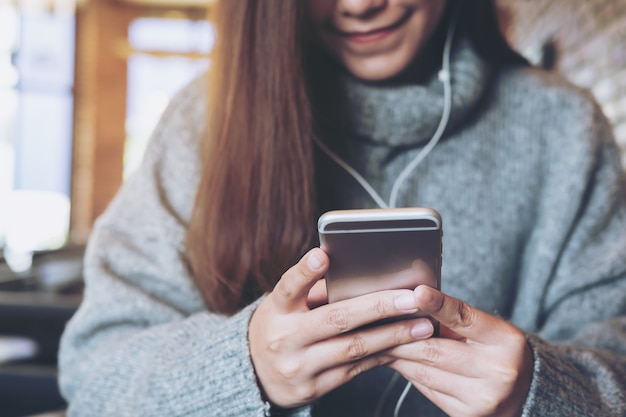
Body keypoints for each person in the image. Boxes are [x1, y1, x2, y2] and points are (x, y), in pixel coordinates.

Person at [58, 0, 626, 416]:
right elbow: (94, 373)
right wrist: (246, 364)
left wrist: (539, 388)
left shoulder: (564, 129)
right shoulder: (205, 122)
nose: (360, 6)